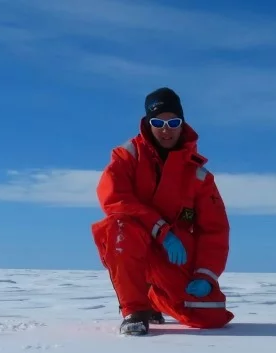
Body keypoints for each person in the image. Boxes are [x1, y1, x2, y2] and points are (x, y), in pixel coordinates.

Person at [91, 87, 235, 335]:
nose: (166, 128)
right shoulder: (127, 157)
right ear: (148, 123)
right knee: (119, 227)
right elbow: (114, 198)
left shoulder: (199, 175)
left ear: (182, 123)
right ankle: (135, 310)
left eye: (173, 121)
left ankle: (156, 298)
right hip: (134, 242)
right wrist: (161, 230)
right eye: (158, 122)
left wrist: (206, 275)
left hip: (172, 253)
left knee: (210, 315)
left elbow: (215, 230)